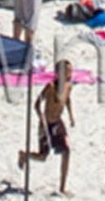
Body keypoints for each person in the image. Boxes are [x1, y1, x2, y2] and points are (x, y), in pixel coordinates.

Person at [21, 60, 75, 194]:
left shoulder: (69, 86)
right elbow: (37, 104)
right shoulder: (50, 87)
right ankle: (24, 155)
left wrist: (71, 116)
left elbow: (67, 100)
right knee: (43, 156)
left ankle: (62, 188)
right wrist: (42, 119)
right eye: (67, 72)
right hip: (46, 124)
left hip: (58, 123)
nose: (70, 74)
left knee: (66, 152)